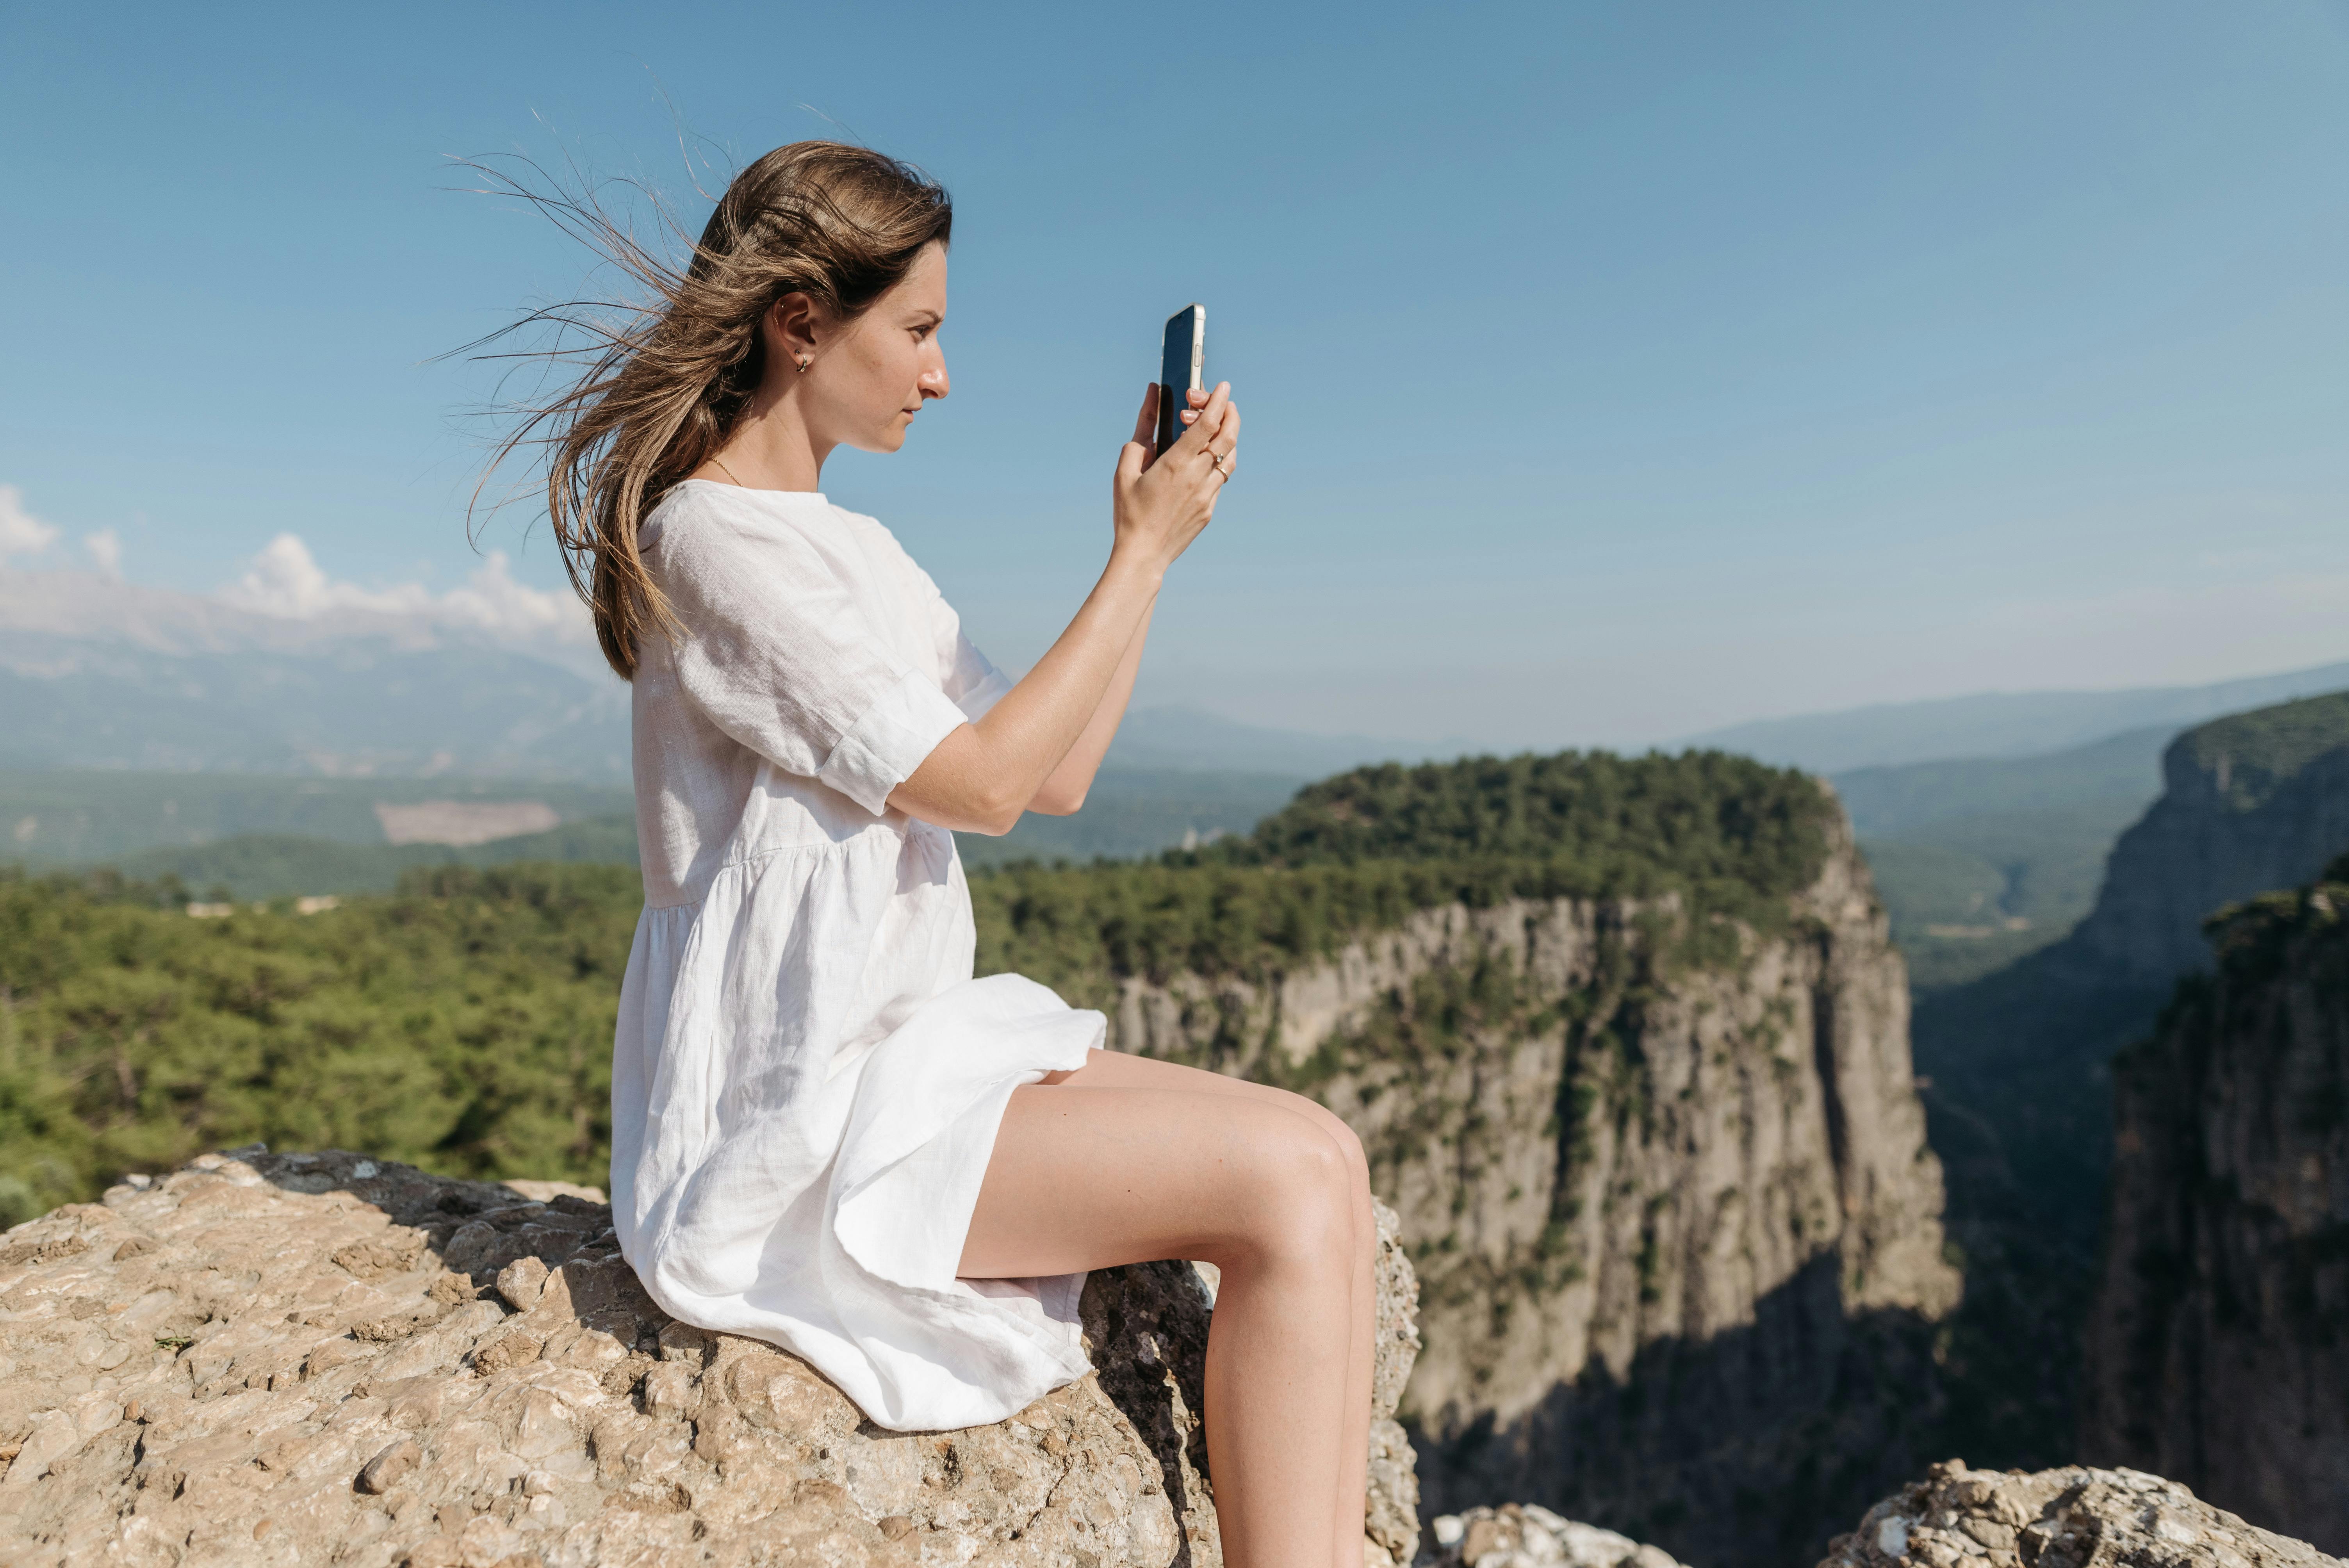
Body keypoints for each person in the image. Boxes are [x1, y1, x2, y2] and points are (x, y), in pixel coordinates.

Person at [504, 141, 1376, 1568]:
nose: (941, 373)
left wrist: (1148, 547)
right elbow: (980, 786)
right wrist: (1139, 558)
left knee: (1326, 1155)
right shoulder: (714, 543)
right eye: (918, 330)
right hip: (797, 1121)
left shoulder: (854, 552)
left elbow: (1057, 774)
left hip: (900, 1063)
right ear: (801, 323)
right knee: (1280, 1187)